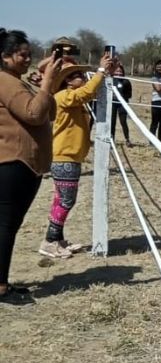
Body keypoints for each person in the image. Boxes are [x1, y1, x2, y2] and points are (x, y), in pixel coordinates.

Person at [0, 28, 59, 303]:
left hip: (24, 166)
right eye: (22, 55)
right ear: (5, 56)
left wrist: (47, 82)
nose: (27, 59)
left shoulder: (16, 81)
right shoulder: (5, 81)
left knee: (8, 225)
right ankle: (0, 287)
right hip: (13, 164)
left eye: (29, 54)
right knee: (5, 226)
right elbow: (34, 114)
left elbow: (51, 110)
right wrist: (46, 82)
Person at [39, 53, 115, 258]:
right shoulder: (64, 96)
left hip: (70, 157)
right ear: (67, 81)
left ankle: (57, 239)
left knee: (60, 199)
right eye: (77, 74)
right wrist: (100, 71)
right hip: (64, 157)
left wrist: (107, 74)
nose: (82, 76)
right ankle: (49, 240)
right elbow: (87, 92)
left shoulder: (74, 99)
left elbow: (90, 93)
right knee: (66, 201)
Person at [111, 64, 133, 147]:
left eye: (120, 71)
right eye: (117, 71)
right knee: (112, 122)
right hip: (112, 103)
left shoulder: (126, 82)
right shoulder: (110, 80)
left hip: (122, 104)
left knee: (123, 121)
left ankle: (127, 139)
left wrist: (122, 97)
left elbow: (129, 94)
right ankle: (112, 139)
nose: (118, 73)